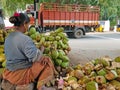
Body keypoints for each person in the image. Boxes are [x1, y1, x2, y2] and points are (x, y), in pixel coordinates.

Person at [1, 12, 56, 90]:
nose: (28, 26)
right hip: (21, 75)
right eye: (28, 24)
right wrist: (41, 50)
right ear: (24, 24)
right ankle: (41, 87)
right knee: (47, 61)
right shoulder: (25, 39)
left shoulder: (8, 37)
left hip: (8, 73)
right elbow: (36, 58)